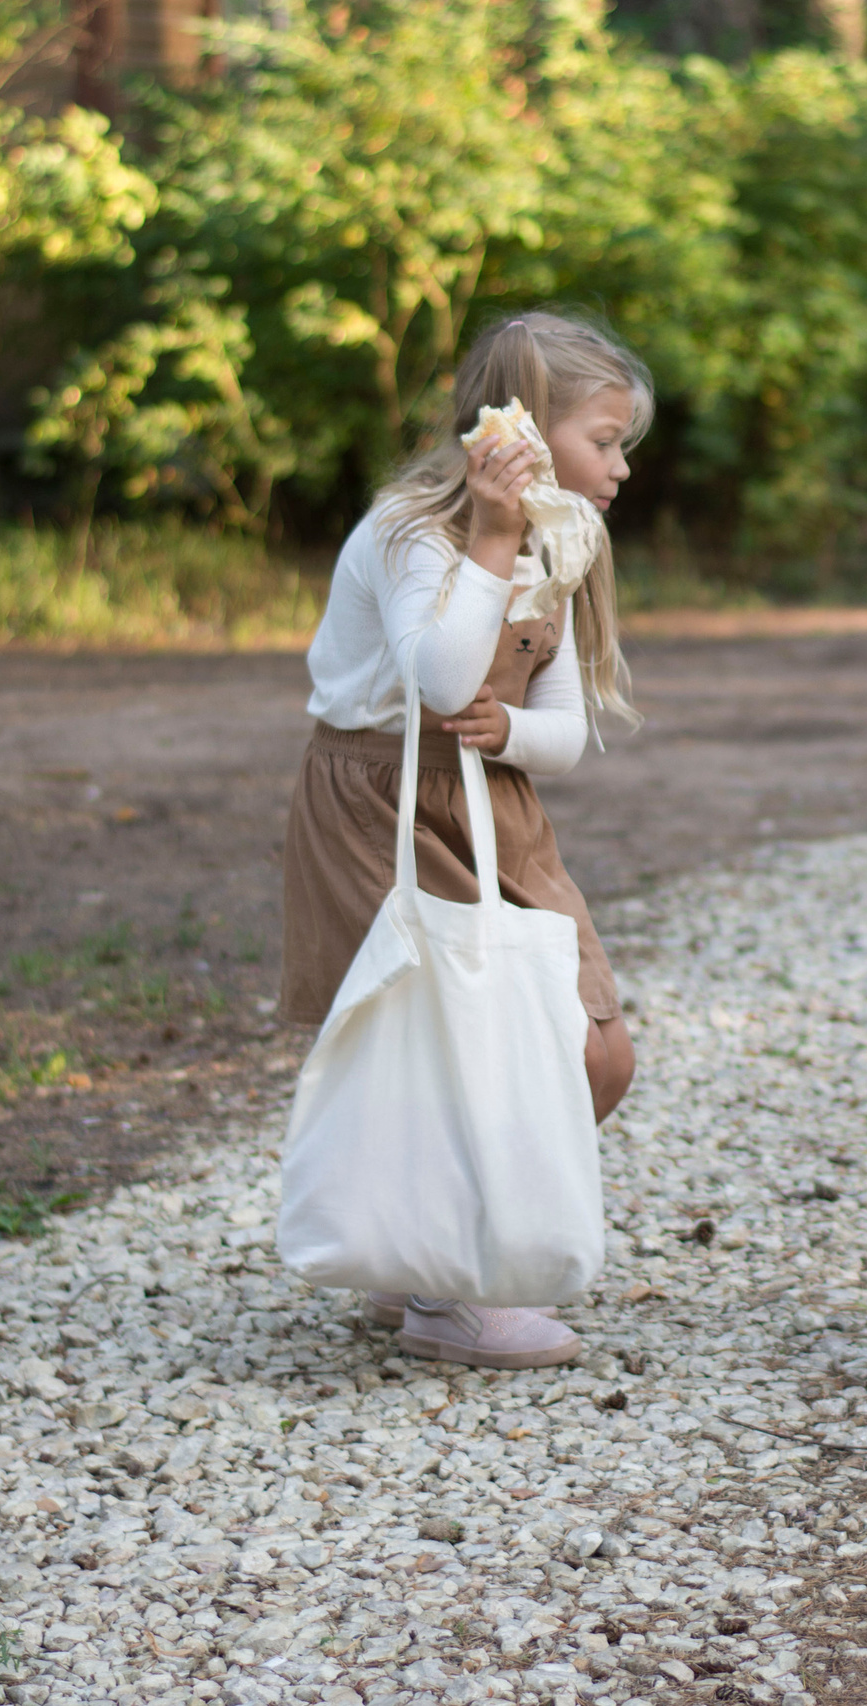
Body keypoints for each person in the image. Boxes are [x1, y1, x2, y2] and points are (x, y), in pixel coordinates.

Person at [279, 310, 647, 1371]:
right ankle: (447, 1291)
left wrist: (513, 730)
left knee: (597, 1050)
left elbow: (568, 732)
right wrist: (489, 538)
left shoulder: (564, 536)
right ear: (524, 432)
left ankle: (429, 1249)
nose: (618, 468)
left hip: (498, 802)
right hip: (380, 802)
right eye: (604, 439)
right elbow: (438, 679)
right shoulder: (408, 533)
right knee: (444, 1045)